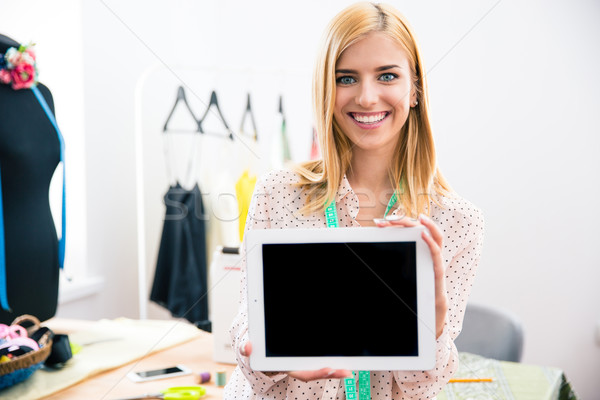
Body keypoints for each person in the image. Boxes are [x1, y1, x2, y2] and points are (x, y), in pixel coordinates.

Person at [224, 2, 484, 399]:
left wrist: (433, 325)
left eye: (387, 76)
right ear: (326, 90)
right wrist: (264, 354)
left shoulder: (457, 222)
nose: (366, 97)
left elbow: (422, 389)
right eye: (346, 78)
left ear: (414, 90)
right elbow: (249, 342)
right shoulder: (276, 193)